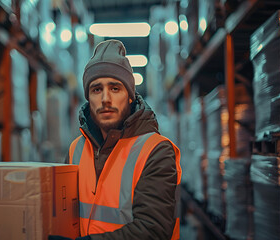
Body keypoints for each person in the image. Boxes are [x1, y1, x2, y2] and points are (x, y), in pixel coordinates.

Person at [49, 39, 182, 240]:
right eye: (96, 89)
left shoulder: (156, 151)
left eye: (115, 88)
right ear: (88, 98)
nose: (105, 99)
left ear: (130, 96)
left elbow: (153, 230)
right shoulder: (75, 150)